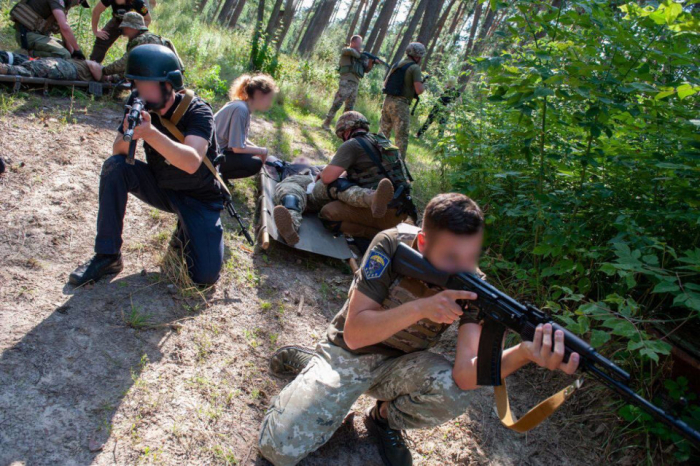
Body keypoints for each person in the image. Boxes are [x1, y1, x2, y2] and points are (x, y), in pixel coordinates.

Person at [258, 193, 582, 466]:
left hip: (399, 368)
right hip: (346, 352)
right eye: (452, 257)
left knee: (454, 393)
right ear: (423, 241)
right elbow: (355, 333)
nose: (465, 269)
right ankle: (313, 363)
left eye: (471, 257)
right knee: (278, 449)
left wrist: (525, 352)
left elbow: (466, 377)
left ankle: (382, 418)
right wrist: (422, 307)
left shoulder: (475, 287)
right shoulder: (390, 245)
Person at [69, 44, 225, 287]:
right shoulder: (138, 103)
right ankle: (108, 255)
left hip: (198, 196)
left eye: (147, 85)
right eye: (136, 84)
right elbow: (118, 153)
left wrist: (150, 133)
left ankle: (186, 230)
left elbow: (193, 161)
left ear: (168, 84)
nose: (140, 91)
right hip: (162, 186)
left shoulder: (198, 111)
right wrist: (128, 132)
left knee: (203, 277)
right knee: (115, 167)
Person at [316, 111, 415, 240]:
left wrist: (323, 173)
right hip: (402, 210)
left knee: (327, 213)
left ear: (346, 131)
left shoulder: (352, 144)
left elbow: (327, 178)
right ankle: (391, 231)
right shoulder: (383, 142)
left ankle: (385, 237)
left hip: (381, 213)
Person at [270, 156, 394, 246]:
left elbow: (336, 174)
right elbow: (268, 160)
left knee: (338, 185)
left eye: (304, 159)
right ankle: (290, 228)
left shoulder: (319, 168)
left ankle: (372, 199)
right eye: (299, 159)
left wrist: (325, 173)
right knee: (290, 197)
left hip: (316, 187)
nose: (302, 159)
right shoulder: (284, 167)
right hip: (295, 183)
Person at [213, 74, 278, 183]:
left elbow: (239, 139)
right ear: (259, 95)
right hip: (211, 155)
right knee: (254, 164)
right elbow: (237, 148)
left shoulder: (243, 108)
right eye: (269, 98)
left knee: (254, 155)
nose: (270, 103)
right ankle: (216, 177)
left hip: (216, 150)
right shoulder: (241, 110)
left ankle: (220, 176)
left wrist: (258, 149)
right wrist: (262, 151)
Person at [379, 42, 426, 161]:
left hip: (388, 100)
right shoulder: (414, 68)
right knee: (401, 137)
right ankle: (399, 165)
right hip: (401, 104)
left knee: (383, 132)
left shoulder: (397, 64)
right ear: (417, 56)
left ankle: (376, 157)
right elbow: (419, 90)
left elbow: (385, 83)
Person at [101, 12, 180, 81]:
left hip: (159, 81)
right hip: (171, 77)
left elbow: (125, 64)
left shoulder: (140, 41)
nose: (123, 31)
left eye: (125, 28)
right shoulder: (157, 39)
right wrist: (115, 77)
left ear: (132, 28)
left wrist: (103, 70)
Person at [321, 35, 376, 131]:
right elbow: (353, 52)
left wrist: (371, 61)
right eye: (359, 43)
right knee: (338, 102)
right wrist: (363, 55)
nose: (360, 45)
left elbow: (366, 69)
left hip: (355, 83)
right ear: (353, 42)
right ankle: (327, 122)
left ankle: (342, 128)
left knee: (349, 108)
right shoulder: (347, 51)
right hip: (346, 81)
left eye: (360, 43)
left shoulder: (359, 56)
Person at [9, 0, 89, 60]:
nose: (78, 4)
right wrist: (77, 50)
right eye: (80, 1)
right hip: (26, 35)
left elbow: (64, 33)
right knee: (63, 54)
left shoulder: (60, 5)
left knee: (66, 52)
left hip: (36, 35)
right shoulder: (56, 1)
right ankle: (26, 54)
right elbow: (64, 27)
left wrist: (73, 53)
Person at [0, 52, 103, 81]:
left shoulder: (84, 65)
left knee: (28, 68)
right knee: (29, 70)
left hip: (59, 65)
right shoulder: (92, 64)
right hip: (64, 67)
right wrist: (106, 76)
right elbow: (96, 71)